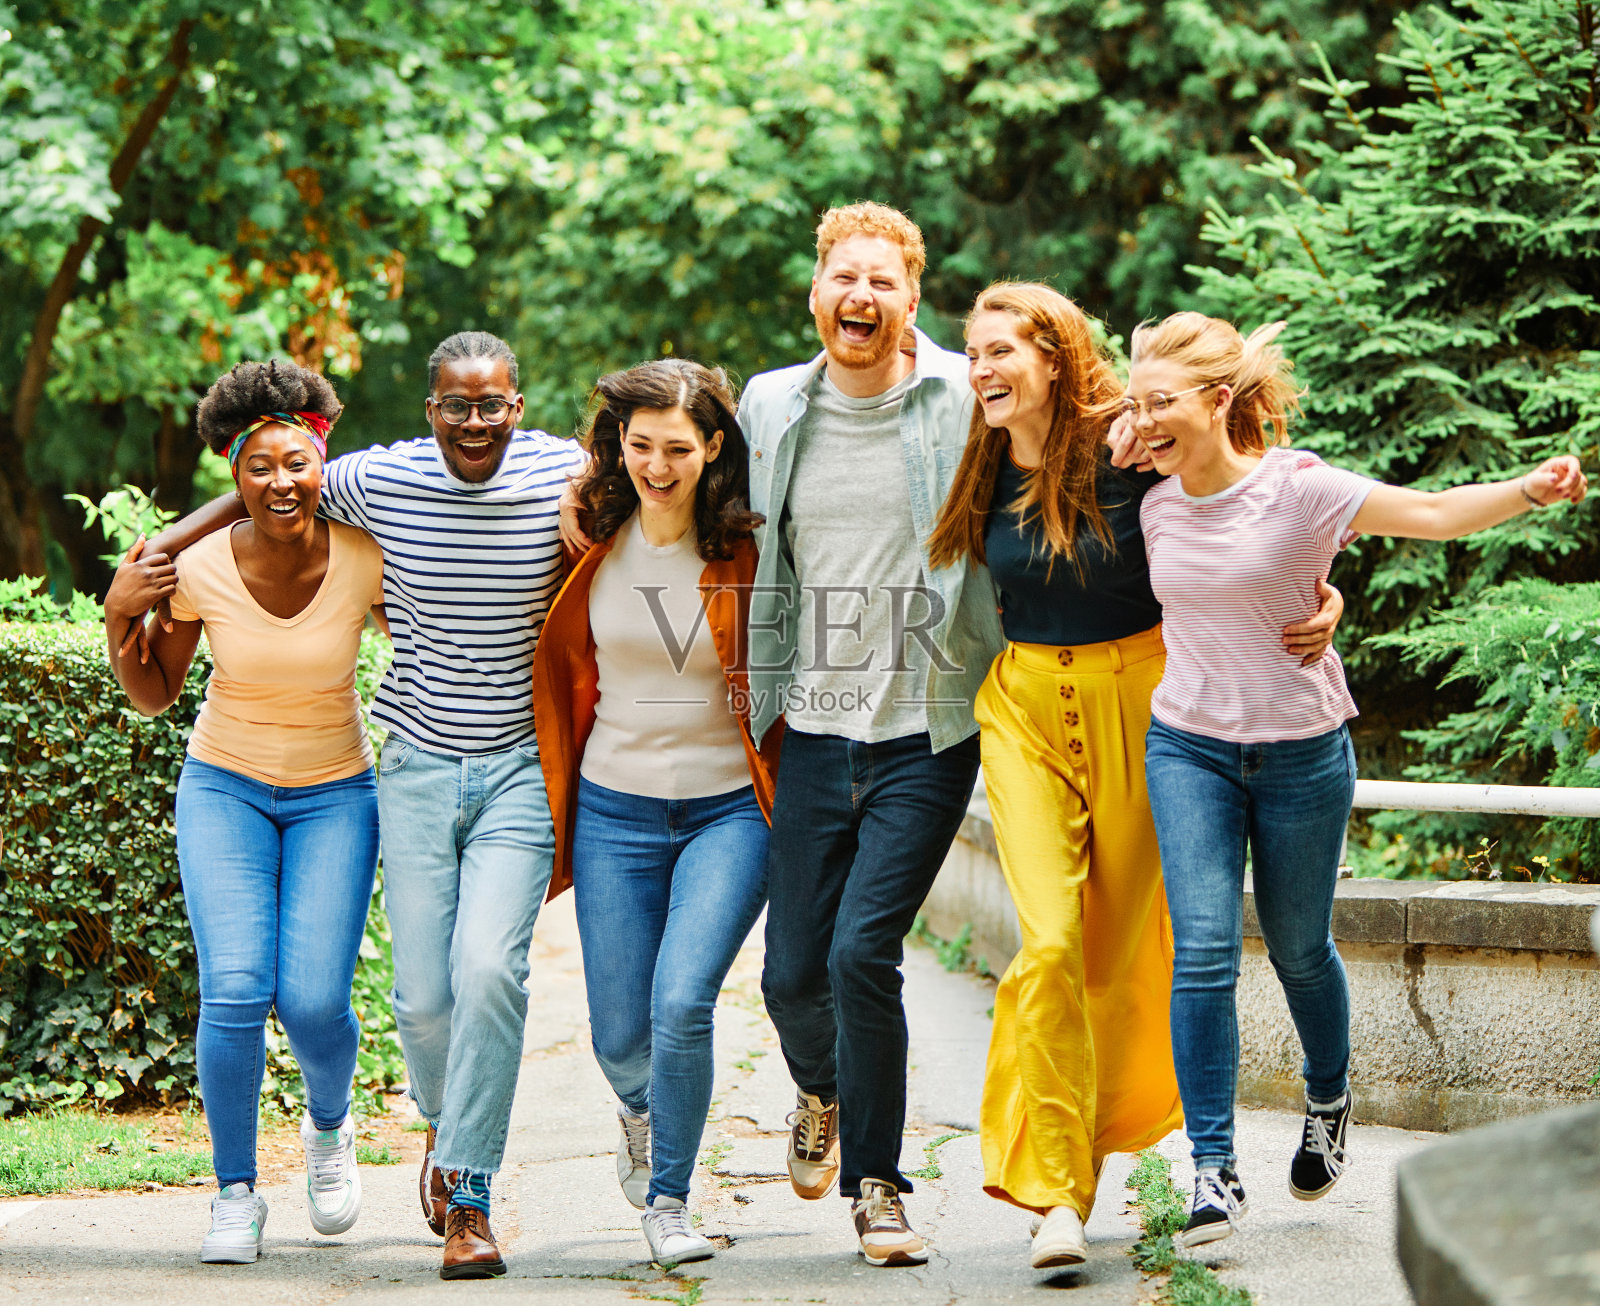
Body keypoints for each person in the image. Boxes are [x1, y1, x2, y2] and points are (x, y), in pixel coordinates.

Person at [1125, 311, 1587, 1248]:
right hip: (1188, 746)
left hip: (1300, 751)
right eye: (1136, 404)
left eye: (1162, 404)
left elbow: (1429, 514)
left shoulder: (1300, 489)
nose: (1143, 422)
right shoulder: (1153, 498)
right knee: (1205, 949)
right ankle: (1212, 1169)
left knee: (1299, 948)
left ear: (1220, 402)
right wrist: (1128, 417)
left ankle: (1329, 1094)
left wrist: (1528, 491)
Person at [136, 331, 585, 1280]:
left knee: (474, 978)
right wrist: (167, 547)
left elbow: (649, 491)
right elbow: (261, 481)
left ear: (517, 402)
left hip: (474, 774)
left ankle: (461, 1186)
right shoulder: (372, 485)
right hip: (374, 772)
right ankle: (357, 1150)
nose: (475, 420)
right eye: (455, 405)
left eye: (492, 403)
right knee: (406, 998)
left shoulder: (554, 473)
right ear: (428, 412)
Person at [925, 283, 1342, 1269]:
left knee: (1127, 952)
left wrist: (1327, 594)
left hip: (1146, 705)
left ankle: (1185, 1138)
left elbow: (1256, 494)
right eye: (970, 353)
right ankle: (1056, 1195)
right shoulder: (977, 462)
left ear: (1056, 356)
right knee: (1050, 945)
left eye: (998, 351)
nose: (978, 370)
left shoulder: (1126, 444)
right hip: (1023, 712)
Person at [736, 202, 1007, 1267]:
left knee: (862, 953)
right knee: (788, 974)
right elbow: (681, 486)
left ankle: (880, 1186)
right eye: (843, 278)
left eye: (882, 282)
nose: (860, 297)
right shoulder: (768, 404)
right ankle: (823, 1088)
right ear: (815, 290)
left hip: (926, 729)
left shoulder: (961, 396)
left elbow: (1063, 446)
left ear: (911, 299)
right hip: (812, 723)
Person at [102, 361, 384, 1264]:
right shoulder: (199, 567)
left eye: (296, 462)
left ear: (322, 463)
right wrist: (119, 620)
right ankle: (234, 1192)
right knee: (232, 992)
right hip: (223, 786)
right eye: (258, 466)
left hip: (338, 790)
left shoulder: (364, 558)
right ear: (234, 476)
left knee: (310, 999)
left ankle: (330, 1131)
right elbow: (153, 692)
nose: (280, 482)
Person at [531, 358, 781, 1266]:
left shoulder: (749, 550)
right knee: (619, 1033)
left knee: (682, 1002)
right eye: (640, 446)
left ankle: (671, 1199)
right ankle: (641, 1110)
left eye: (678, 448)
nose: (658, 466)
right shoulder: (589, 531)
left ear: (713, 448)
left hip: (727, 813)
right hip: (613, 812)